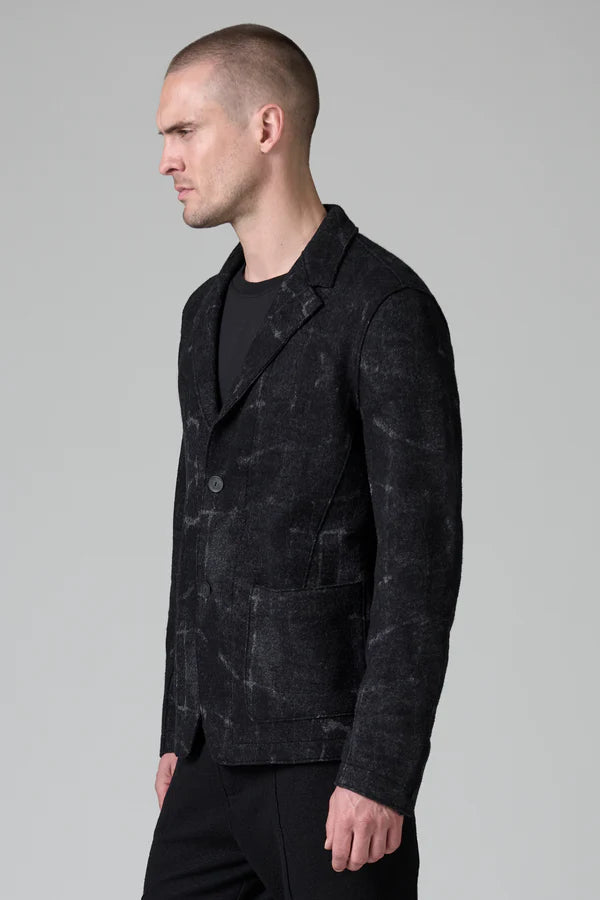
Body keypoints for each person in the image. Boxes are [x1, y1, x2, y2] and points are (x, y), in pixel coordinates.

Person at [142, 22, 463, 900]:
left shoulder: (381, 306)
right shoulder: (202, 313)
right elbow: (195, 526)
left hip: (331, 763)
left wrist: (382, 770)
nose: (166, 159)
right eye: (164, 136)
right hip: (210, 754)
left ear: (266, 127)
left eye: (185, 130)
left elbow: (421, 558)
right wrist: (178, 725)